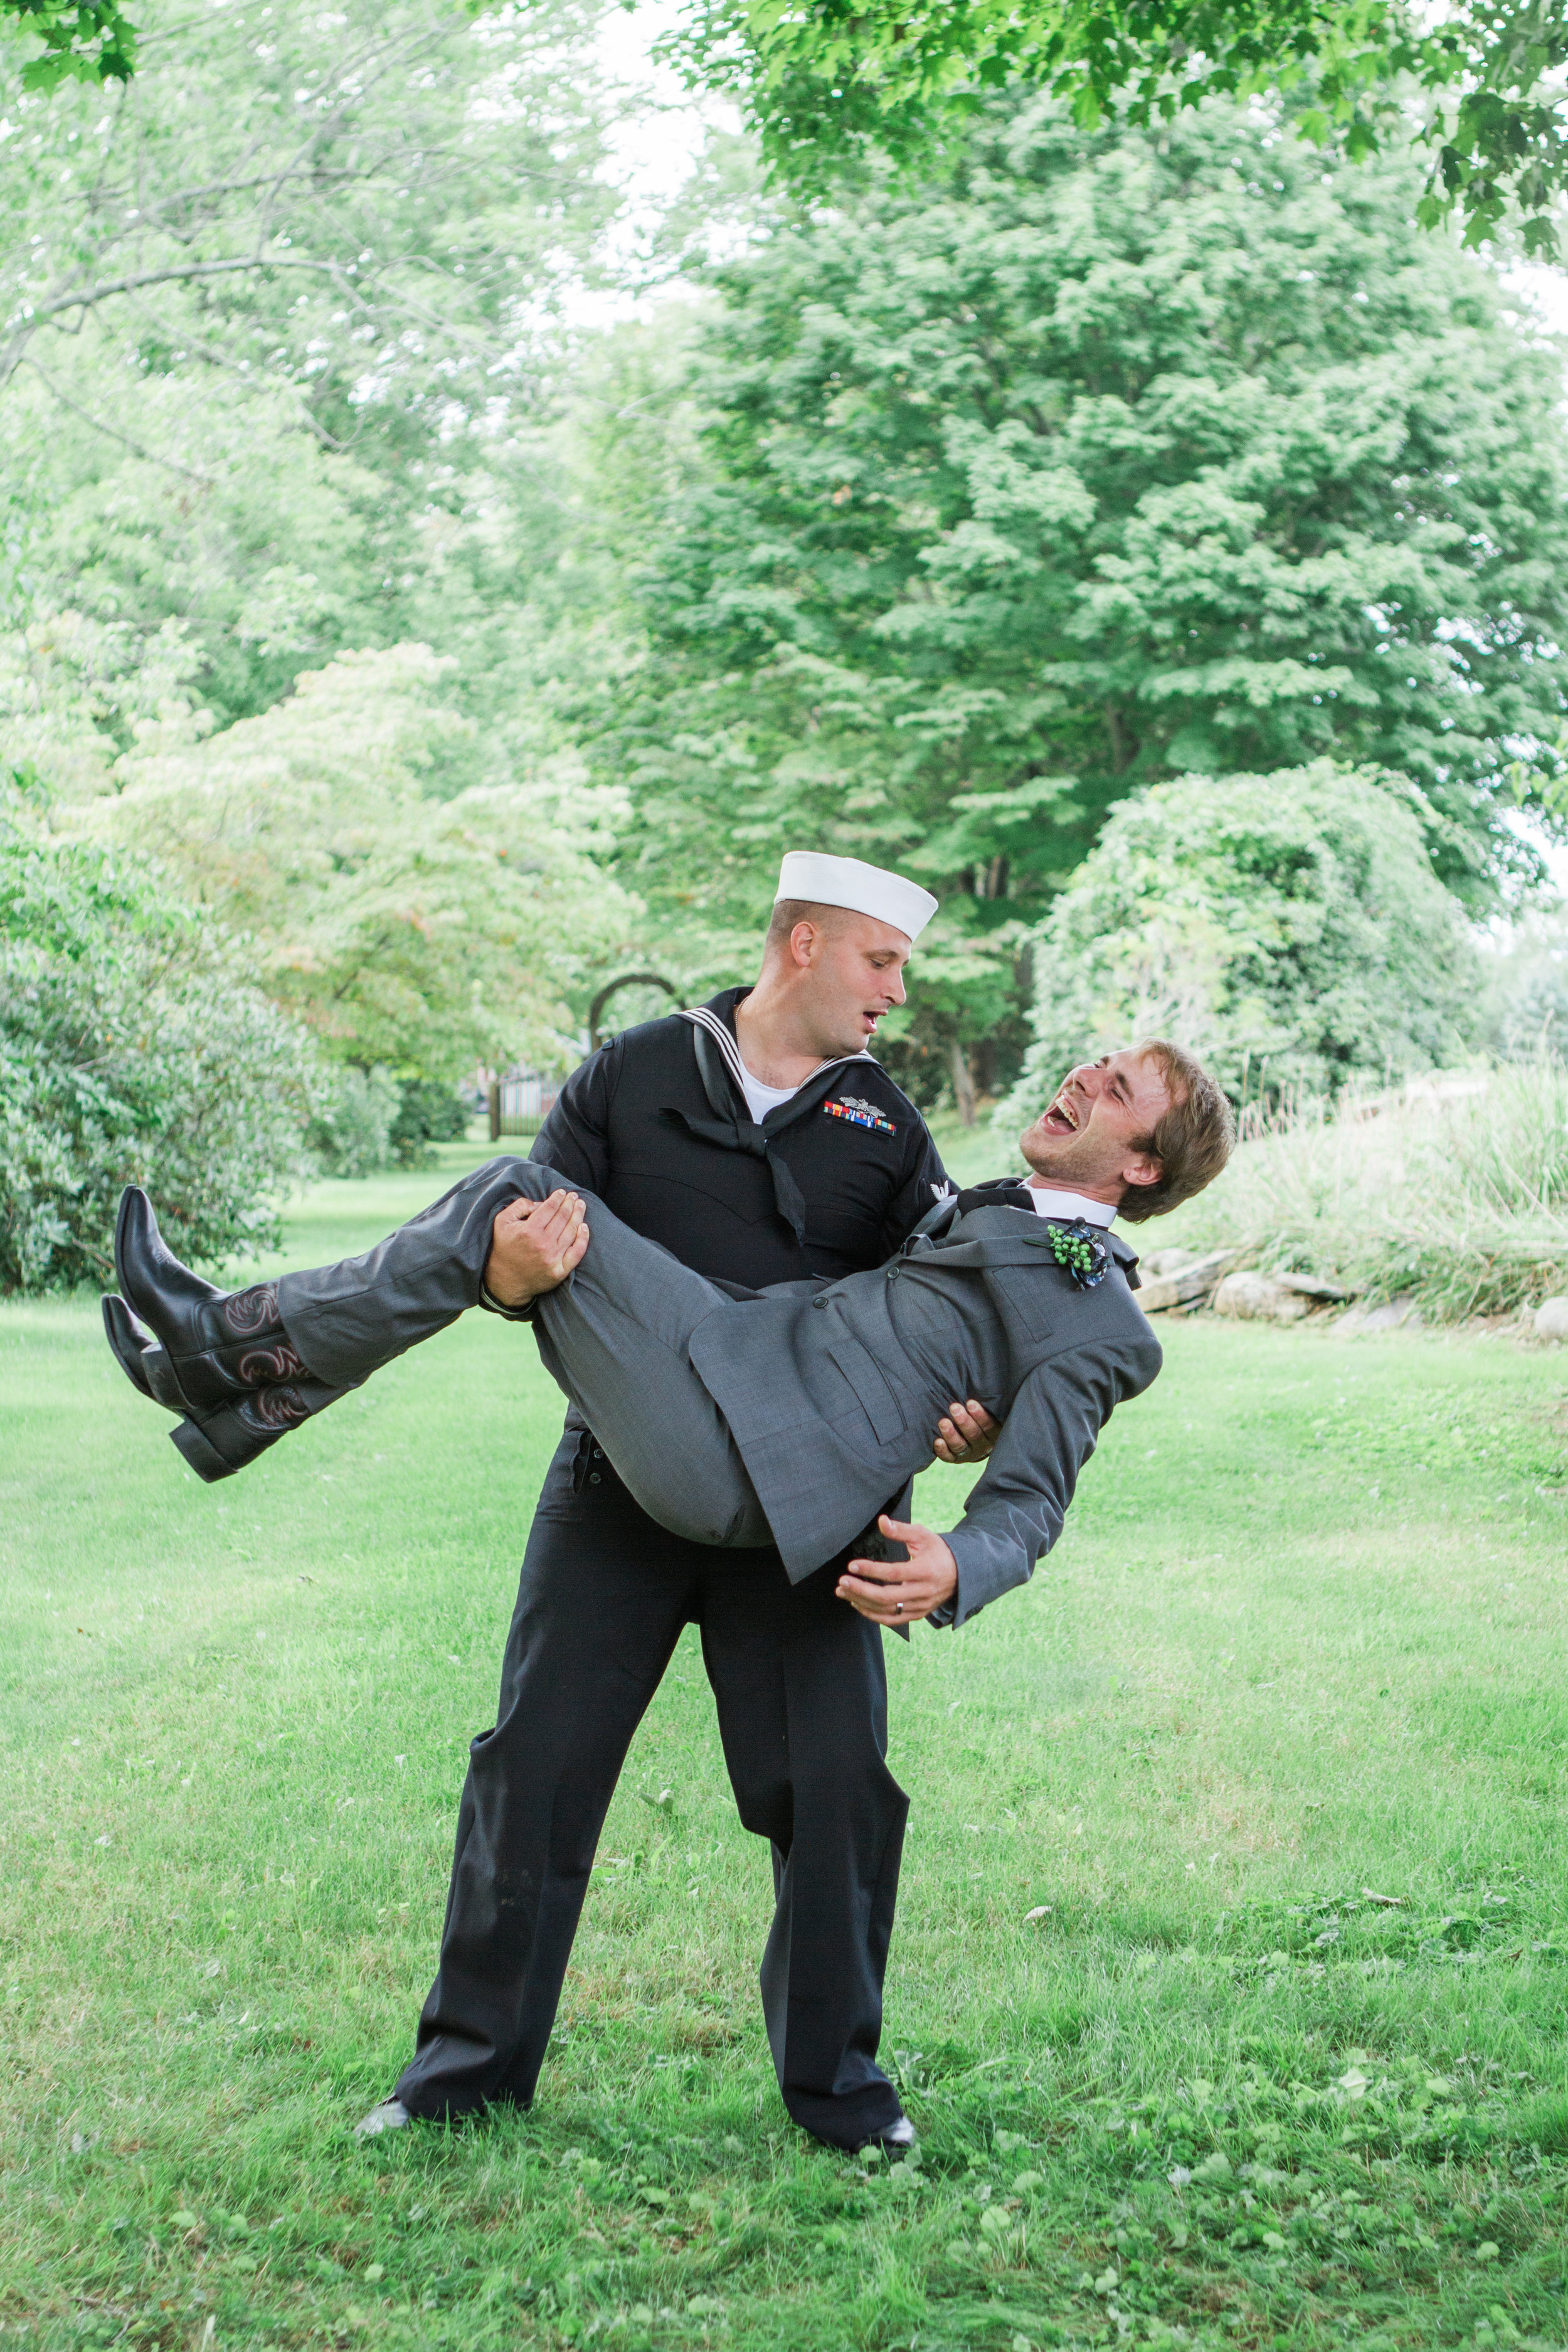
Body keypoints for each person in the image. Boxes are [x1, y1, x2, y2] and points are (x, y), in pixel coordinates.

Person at [105, 854, 1000, 2155]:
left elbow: (942, 1318)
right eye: (880, 961)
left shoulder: (885, 1127)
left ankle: (842, 2096)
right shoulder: (633, 1072)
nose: (895, 992)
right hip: (619, 1483)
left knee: (836, 1792)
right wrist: (514, 1277)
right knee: (533, 1771)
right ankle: (458, 2081)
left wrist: (971, 1420)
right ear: (801, 944)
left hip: (807, 1516)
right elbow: (517, 1263)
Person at [113, 1037, 1233, 1614]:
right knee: (525, 1195)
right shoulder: (991, 1200)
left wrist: (960, 1563)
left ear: (1139, 1165)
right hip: (741, 1347)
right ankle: (236, 1381)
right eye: (1102, 1058)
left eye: (1121, 1083)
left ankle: (230, 1352)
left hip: (752, 1463)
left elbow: (1032, 1501)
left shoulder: (1105, 1325)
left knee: (523, 1194)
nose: (1089, 1071)